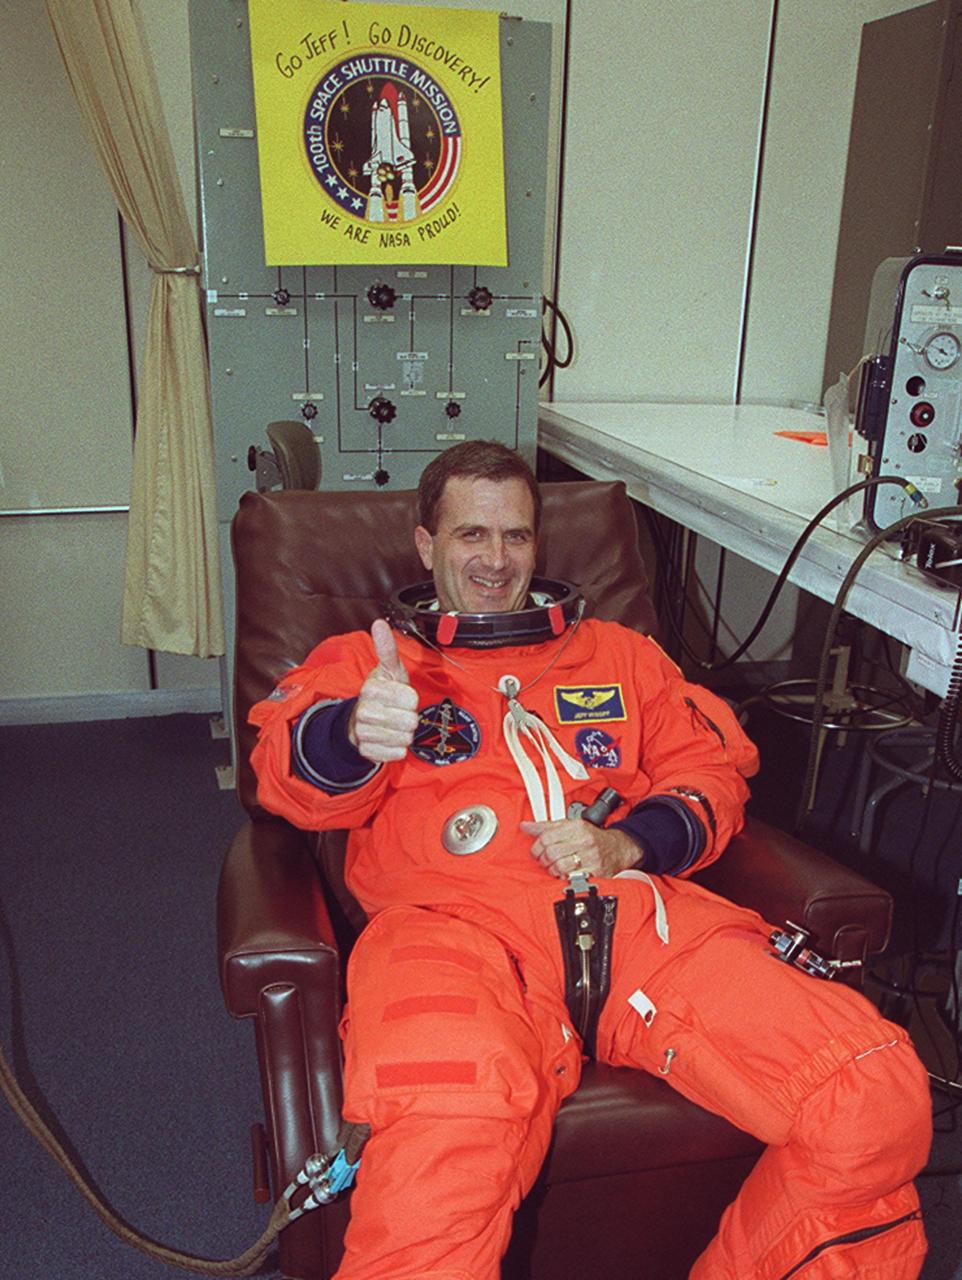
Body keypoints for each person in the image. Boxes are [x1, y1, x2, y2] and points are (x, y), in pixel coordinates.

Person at [250, 440, 931, 1280]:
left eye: (516, 537)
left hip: (640, 918)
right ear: (426, 546)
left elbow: (712, 773)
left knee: (871, 1093)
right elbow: (283, 777)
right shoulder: (372, 665)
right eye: (470, 536)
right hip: (452, 933)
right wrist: (354, 732)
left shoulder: (621, 657)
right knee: (447, 1138)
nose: (496, 561)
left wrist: (630, 840)